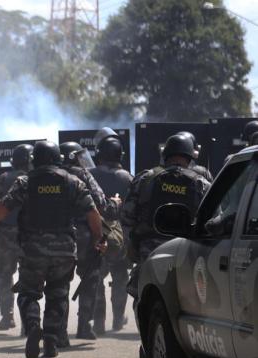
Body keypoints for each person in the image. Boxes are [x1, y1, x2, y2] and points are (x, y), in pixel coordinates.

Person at [0, 141, 106, 358]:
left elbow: (5, 206)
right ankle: (50, 339)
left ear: (35, 160)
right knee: (58, 294)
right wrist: (99, 238)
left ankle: (32, 328)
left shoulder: (26, 182)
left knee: (28, 293)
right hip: (65, 250)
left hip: (33, 249)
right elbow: (92, 212)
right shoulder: (73, 182)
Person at [122, 133, 210, 303]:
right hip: (185, 253)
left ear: (165, 155)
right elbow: (213, 222)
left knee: (145, 298)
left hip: (149, 251)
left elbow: (127, 217)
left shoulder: (145, 179)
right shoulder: (201, 184)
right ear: (190, 157)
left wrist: (132, 247)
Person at [59, 141, 120, 341]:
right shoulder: (83, 175)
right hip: (86, 234)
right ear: (72, 157)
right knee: (90, 279)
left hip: (59, 235)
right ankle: (84, 326)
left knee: (59, 283)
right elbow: (101, 204)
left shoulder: (51, 175)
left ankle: (58, 329)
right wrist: (115, 203)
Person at [90, 129, 134, 332]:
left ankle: (98, 322)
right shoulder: (128, 178)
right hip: (121, 239)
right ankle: (118, 320)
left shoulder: (90, 175)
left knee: (97, 279)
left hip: (97, 236)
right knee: (121, 278)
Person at [0, 144, 33, 332]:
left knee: (4, 275)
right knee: (28, 276)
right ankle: (27, 321)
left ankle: (7, 316)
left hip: (7, 233)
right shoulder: (35, 179)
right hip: (30, 234)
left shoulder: (2, 179)